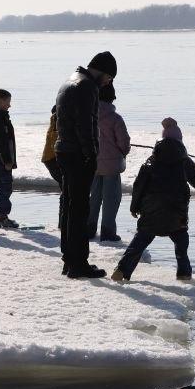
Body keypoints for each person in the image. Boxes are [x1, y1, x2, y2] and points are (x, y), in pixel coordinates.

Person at [112, 119, 195, 282]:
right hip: (176, 213)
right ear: (180, 142)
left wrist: (134, 207)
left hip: (150, 212)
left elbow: (139, 186)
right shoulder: (184, 162)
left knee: (140, 240)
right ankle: (184, 273)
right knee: (181, 243)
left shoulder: (150, 163)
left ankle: (122, 270)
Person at [55, 51, 117, 278]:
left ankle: (69, 259)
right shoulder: (86, 86)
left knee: (71, 207)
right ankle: (78, 263)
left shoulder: (70, 81)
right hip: (77, 154)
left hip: (64, 150)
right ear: (101, 71)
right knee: (80, 210)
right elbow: (85, 124)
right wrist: (91, 154)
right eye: (109, 78)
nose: (108, 83)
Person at [87, 82, 130, 241]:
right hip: (111, 166)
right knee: (111, 200)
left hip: (93, 163)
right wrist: (124, 151)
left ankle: (89, 229)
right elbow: (123, 142)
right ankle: (108, 232)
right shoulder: (115, 118)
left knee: (93, 198)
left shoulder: (89, 115)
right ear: (112, 98)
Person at [0, 88, 19, 229]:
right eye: (8, 102)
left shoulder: (2, 117)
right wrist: (7, 161)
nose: (9, 105)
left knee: (1, 187)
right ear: (0, 102)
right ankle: (2, 217)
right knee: (5, 187)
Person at [41, 105, 62, 184]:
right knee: (65, 183)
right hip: (52, 159)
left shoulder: (54, 120)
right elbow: (54, 141)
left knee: (65, 184)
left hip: (50, 158)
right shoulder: (56, 119)